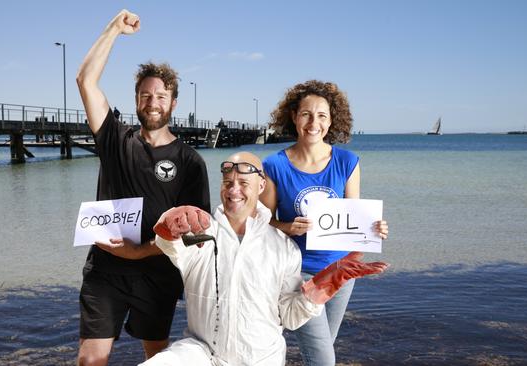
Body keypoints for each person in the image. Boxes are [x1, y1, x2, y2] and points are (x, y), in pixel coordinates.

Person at [136, 152, 388, 365]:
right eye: (227, 183)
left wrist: (321, 287)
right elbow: (170, 244)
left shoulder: (283, 248)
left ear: (261, 186)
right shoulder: (201, 234)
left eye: (243, 183)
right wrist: (170, 220)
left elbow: (289, 316)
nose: (234, 190)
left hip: (260, 358)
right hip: (201, 352)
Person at [75, 9, 210, 365]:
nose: (153, 103)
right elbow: (86, 81)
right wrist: (112, 31)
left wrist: (140, 251)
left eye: (161, 96)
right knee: (91, 360)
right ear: (136, 100)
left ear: (173, 103)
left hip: (157, 273)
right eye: (145, 96)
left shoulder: (190, 161)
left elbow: (198, 235)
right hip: (105, 270)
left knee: (156, 358)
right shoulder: (115, 140)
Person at [259, 80, 389, 366]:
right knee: (323, 359)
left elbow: (354, 217)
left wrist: (374, 229)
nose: (313, 122)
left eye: (321, 115)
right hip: (298, 273)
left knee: (322, 349)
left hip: (340, 272)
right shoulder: (274, 165)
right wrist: (288, 227)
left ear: (332, 120)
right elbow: (264, 221)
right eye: (306, 114)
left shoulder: (347, 161)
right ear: (293, 117)